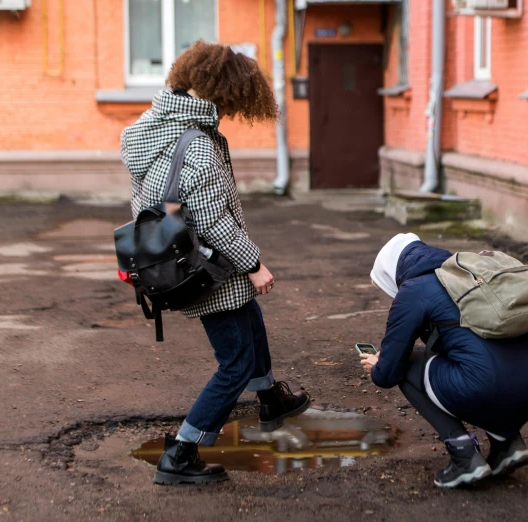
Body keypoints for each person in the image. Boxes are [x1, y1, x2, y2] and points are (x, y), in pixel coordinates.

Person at [121, 41, 309, 486]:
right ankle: (182, 452)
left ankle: (269, 398)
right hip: (205, 268)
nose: (232, 111)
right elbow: (214, 224)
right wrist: (255, 264)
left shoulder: (149, 127)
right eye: (232, 102)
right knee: (234, 363)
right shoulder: (198, 147)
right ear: (222, 95)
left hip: (173, 257)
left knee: (250, 315)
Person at [361, 233, 528, 488]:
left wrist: (379, 365)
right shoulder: (463, 273)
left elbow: (387, 375)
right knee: (471, 358)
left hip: (489, 385)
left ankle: (464, 457)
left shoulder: (414, 290)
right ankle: (507, 445)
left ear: (393, 272)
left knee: (408, 365)